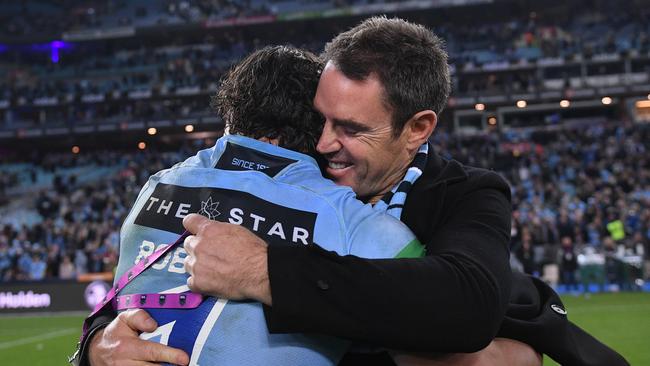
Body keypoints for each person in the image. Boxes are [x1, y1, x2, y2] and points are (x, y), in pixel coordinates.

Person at [81, 17, 628, 366]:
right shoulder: (289, 176)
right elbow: (150, 288)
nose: (321, 143)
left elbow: (467, 308)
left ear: (417, 128)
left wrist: (265, 273)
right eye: (319, 119)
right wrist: (94, 348)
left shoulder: (465, 195)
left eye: (351, 129)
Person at [74, 45, 425, 366]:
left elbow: (118, 308)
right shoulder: (350, 218)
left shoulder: (157, 186)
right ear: (320, 128)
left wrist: (91, 349)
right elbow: (443, 309)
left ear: (231, 116)